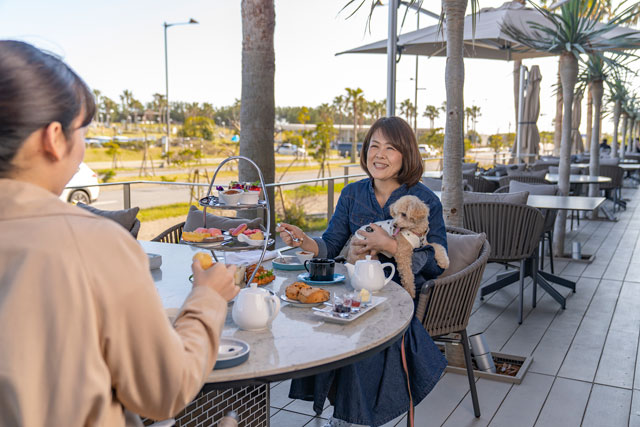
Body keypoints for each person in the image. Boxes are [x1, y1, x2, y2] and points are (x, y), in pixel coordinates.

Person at [0, 40, 240, 426]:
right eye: (83, 131)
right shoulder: (91, 243)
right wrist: (207, 297)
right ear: (54, 137)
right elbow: (164, 390)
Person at [277, 117, 447, 427]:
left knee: (361, 335)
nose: (379, 155)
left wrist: (392, 246)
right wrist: (305, 241)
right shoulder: (352, 193)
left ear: (406, 154)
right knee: (315, 319)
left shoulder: (425, 201)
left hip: (402, 299)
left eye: (390, 148)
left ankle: (349, 420)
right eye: (374, 146)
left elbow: (437, 262)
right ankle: (347, 415)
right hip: (356, 290)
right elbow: (330, 244)